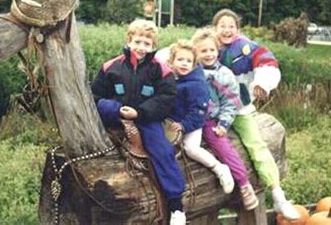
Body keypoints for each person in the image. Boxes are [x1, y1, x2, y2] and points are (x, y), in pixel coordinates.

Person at [91, 19, 186, 225]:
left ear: (153, 46)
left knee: (162, 150)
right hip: (116, 116)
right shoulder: (110, 67)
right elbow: (95, 96)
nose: (141, 47)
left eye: (147, 43)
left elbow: (167, 97)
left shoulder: (160, 70)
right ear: (129, 40)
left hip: (146, 119)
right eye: (138, 42)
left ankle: (176, 205)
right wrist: (116, 109)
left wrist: (140, 112)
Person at [212, 8, 300, 220]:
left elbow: (268, 63)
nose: (226, 30)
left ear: (238, 29)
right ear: (215, 28)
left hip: (239, 108)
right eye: (222, 26)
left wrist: (263, 82)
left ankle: (278, 195)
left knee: (256, 146)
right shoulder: (206, 45)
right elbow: (177, 55)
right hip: (211, 111)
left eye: (231, 26)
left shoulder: (248, 48)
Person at [191, 28, 259, 211]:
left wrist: (223, 124)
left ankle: (244, 184)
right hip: (189, 119)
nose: (208, 54)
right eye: (203, 51)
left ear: (218, 51)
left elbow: (231, 103)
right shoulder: (190, 70)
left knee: (224, 147)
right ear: (195, 52)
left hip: (210, 120)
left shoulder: (224, 74)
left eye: (212, 50)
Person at [166, 39, 235, 194]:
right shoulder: (170, 78)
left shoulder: (196, 84)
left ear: (194, 64)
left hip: (192, 122)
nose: (184, 64)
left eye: (189, 61)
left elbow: (199, 111)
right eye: (180, 60)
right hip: (173, 121)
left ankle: (219, 168)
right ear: (171, 62)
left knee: (191, 148)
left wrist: (184, 125)